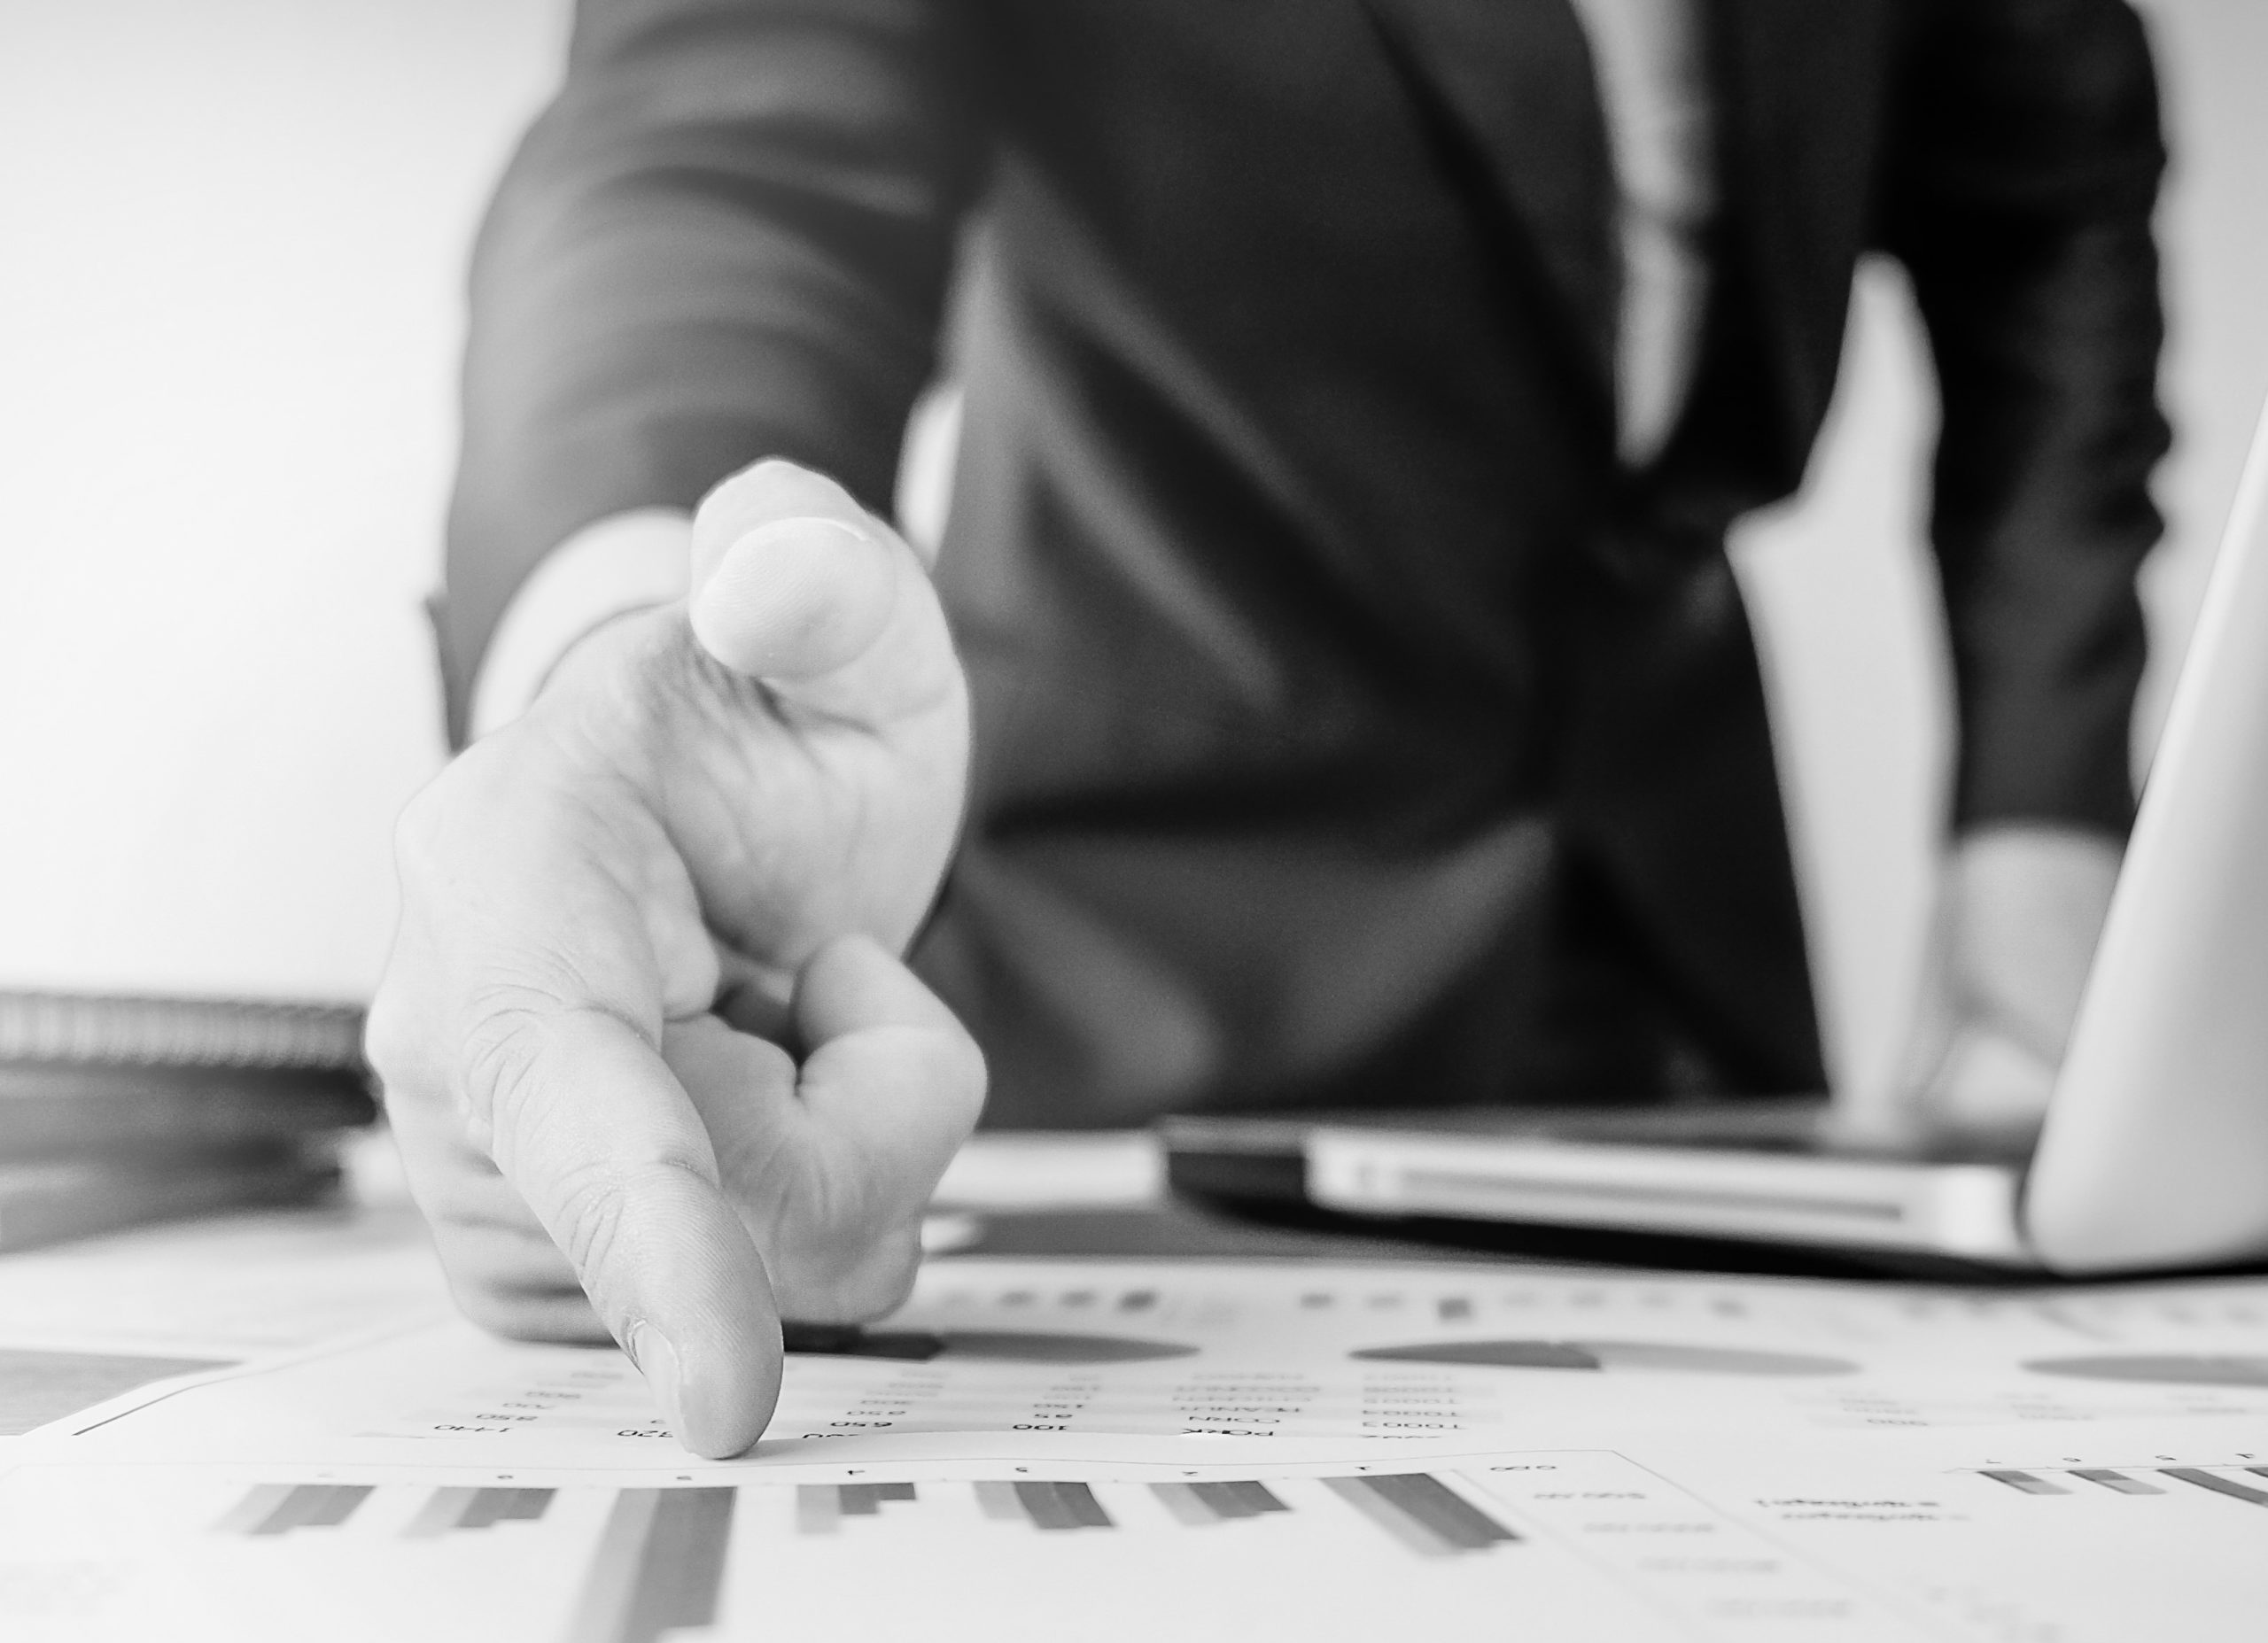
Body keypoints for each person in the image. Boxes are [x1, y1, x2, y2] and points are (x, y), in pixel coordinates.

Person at [368, 0, 2169, 1456]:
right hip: (1135, 968)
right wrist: (621, 664)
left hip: (1688, 962)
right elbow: (720, 151)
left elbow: (2044, 176)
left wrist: (2039, 817)